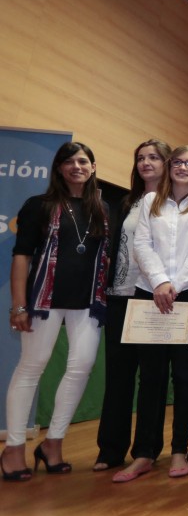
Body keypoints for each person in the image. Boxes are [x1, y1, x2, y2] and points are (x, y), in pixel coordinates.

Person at [4, 142, 110, 482]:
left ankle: (53, 443)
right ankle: (14, 448)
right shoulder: (39, 205)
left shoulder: (103, 209)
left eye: (83, 161)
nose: (76, 166)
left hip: (88, 303)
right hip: (44, 301)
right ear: (59, 168)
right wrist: (19, 305)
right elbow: (21, 256)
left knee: (81, 367)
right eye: (69, 161)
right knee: (31, 368)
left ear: (93, 167)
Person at [114, 145, 188, 482]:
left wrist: (174, 284)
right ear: (170, 166)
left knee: (185, 376)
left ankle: (179, 450)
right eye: (178, 162)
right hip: (150, 293)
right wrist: (160, 282)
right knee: (151, 377)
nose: (183, 167)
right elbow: (141, 245)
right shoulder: (149, 201)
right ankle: (144, 452)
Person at [93, 139, 169, 472]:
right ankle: (110, 449)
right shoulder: (127, 202)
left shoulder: (175, 204)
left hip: (154, 298)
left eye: (153, 157)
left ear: (167, 163)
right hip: (120, 296)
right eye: (140, 158)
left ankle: (147, 449)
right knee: (119, 375)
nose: (145, 163)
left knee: (152, 376)